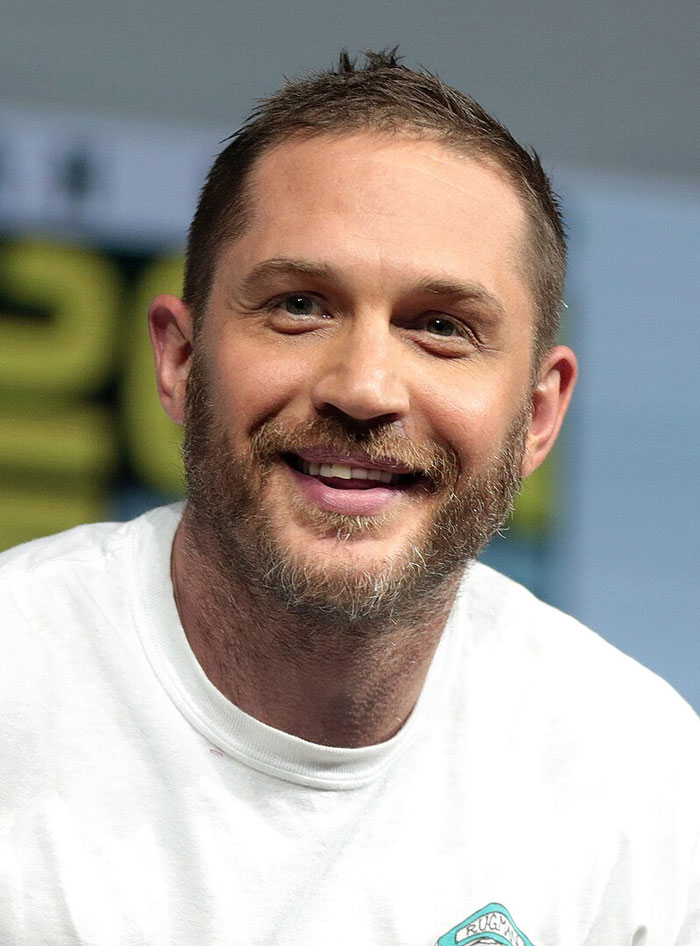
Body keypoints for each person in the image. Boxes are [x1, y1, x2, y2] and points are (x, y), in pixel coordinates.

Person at [1, 50, 698, 946]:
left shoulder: (642, 780)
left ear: (536, 415)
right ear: (178, 361)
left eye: (442, 328)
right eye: (299, 305)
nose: (365, 387)